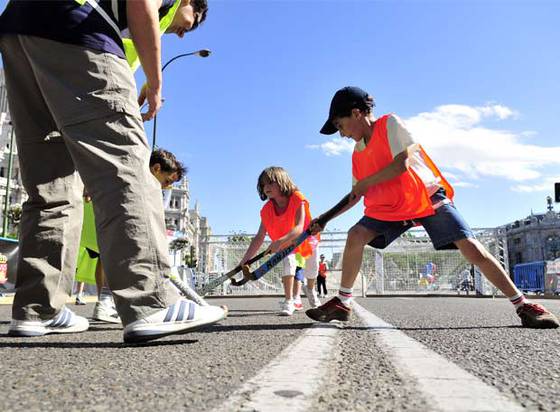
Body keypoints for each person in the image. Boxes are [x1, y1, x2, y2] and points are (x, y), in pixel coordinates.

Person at [1, 0, 226, 343]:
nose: (184, 33)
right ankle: (150, 301)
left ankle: (37, 309)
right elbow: (142, 4)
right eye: (192, 22)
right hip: (77, 28)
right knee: (126, 168)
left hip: (20, 30)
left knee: (51, 184)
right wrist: (155, 81)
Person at [306, 86, 559, 329]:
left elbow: (401, 164)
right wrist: (326, 218)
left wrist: (366, 182)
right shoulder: (357, 153)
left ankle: (523, 304)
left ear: (356, 113)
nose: (342, 133)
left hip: (423, 196)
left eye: (340, 125)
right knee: (355, 235)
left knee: (472, 249)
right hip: (391, 207)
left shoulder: (390, 124)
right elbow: (355, 195)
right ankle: (343, 302)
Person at [76, 148, 187, 324]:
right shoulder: (136, 174)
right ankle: (107, 302)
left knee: (104, 256)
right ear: (156, 168)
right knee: (112, 254)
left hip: (97, 211)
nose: (167, 187)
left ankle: (104, 302)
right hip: (104, 211)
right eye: (167, 181)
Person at [240, 167, 321, 316]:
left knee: (312, 269)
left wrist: (279, 240)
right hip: (287, 242)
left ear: (282, 182)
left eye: (271, 183)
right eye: (264, 184)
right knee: (288, 263)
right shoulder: (267, 209)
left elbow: (299, 227)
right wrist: (244, 261)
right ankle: (289, 301)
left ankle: (310, 289)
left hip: (306, 238)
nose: (267, 187)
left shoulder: (297, 197)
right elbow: (259, 236)